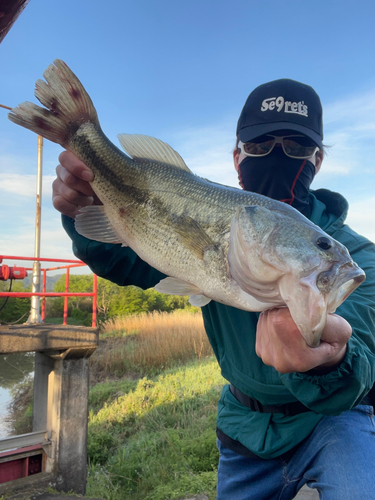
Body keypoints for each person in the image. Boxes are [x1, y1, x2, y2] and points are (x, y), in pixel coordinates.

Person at [52, 79, 375, 500]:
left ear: (318, 159)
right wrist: (83, 209)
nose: (278, 156)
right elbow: (126, 259)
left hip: (332, 422)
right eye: (259, 146)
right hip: (245, 426)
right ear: (237, 156)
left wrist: (327, 361)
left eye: (296, 147)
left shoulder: (356, 256)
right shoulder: (206, 216)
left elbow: (364, 354)